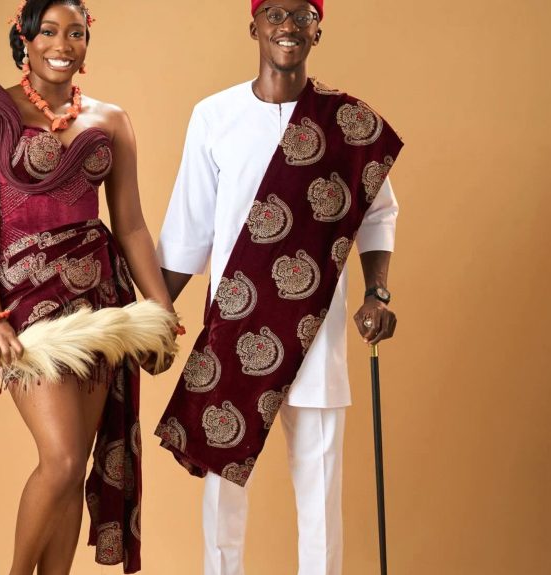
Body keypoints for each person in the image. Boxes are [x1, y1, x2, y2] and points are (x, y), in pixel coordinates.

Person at [153, 1, 404, 574]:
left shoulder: (349, 124)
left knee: (320, 494)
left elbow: (379, 214)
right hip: (235, 330)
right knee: (222, 495)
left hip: (317, 330)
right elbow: (188, 232)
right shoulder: (214, 116)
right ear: (254, 27)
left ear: (318, 29)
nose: (287, 25)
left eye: (301, 14)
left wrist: (377, 293)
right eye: (274, 13)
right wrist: (152, 321)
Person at [0, 1, 175, 573]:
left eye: (75, 33)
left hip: (97, 303)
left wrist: (160, 310)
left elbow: (131, 225)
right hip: (25, 299)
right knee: (62, 458)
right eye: (48, 31)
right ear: (24, 37)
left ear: (87, 41)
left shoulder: (111, 120)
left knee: (76, 464)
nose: (62, 44)